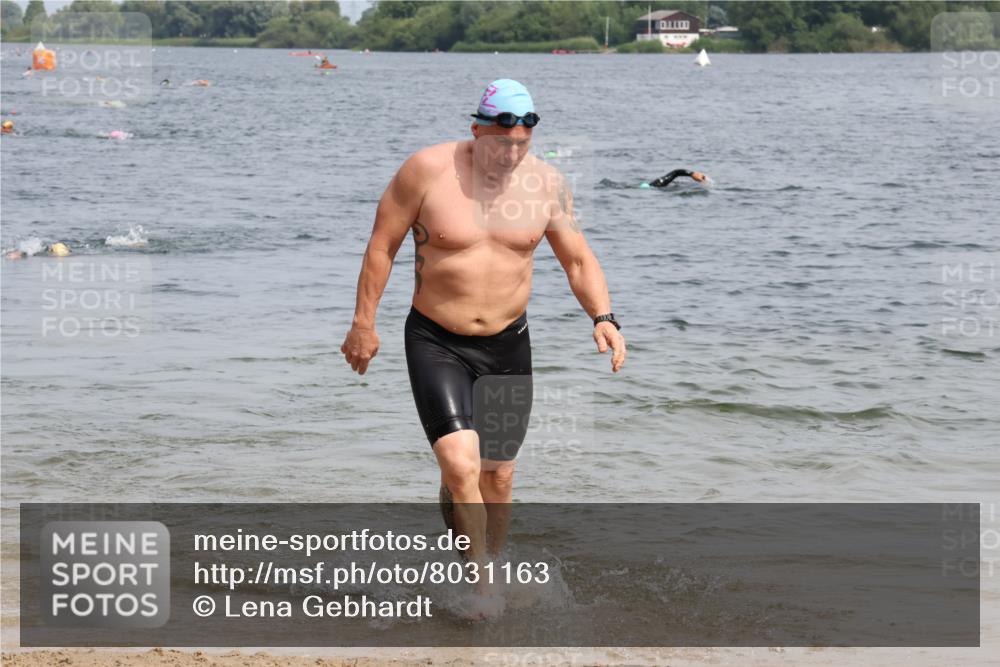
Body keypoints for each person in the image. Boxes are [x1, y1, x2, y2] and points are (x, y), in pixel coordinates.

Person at [341, 79, 626, 610]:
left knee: (497, 476)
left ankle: (487, 564)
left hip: (507, 344)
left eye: (522, 144)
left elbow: (579, 259)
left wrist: (603, 316)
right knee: (460, 464)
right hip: (435, 340)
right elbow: (382, 245)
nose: (511, 155)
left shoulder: (545, 184)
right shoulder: (426, 170)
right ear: (476, 130)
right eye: (501, 143)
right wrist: (364, 323)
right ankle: (483, 592)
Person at [641, 169, 708, 189]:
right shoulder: (658, 184)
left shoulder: (657, 184)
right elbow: (676, 172)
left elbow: (676, 173)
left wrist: (692, 174)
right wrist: (692, 173)